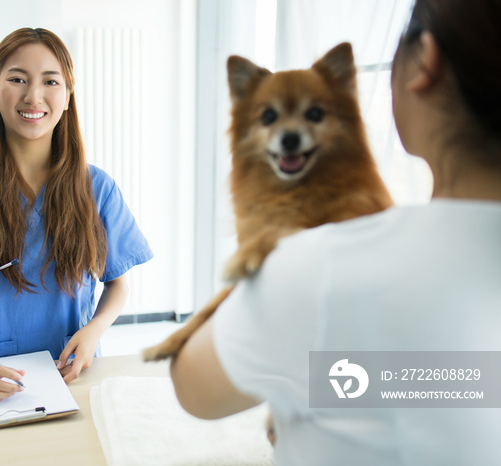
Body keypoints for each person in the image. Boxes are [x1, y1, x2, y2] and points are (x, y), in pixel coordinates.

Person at [171, 0, 501, 463]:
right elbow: (467, 385)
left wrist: (322, 376)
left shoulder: (321, 266)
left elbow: (194, 387)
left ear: (425, 60)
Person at [0, 28, 153, 404]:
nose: (33, 96)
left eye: (50, 81)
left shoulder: (98, 188)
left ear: (67, 96)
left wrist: (94, 331)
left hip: (74, 376)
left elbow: (117, 285)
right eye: (17, 79)